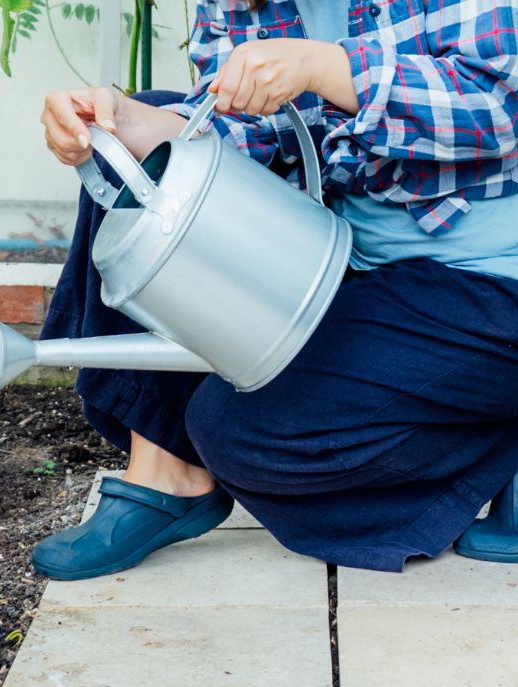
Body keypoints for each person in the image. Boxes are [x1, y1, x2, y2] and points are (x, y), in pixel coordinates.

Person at [33, 0, 518, 579]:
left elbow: (499, 102)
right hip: (352, 263)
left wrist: (324, 67)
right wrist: (114, 122)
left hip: (491, 278)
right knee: (146, 159)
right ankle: (166, 476)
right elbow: (238, 134)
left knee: (240, 435)